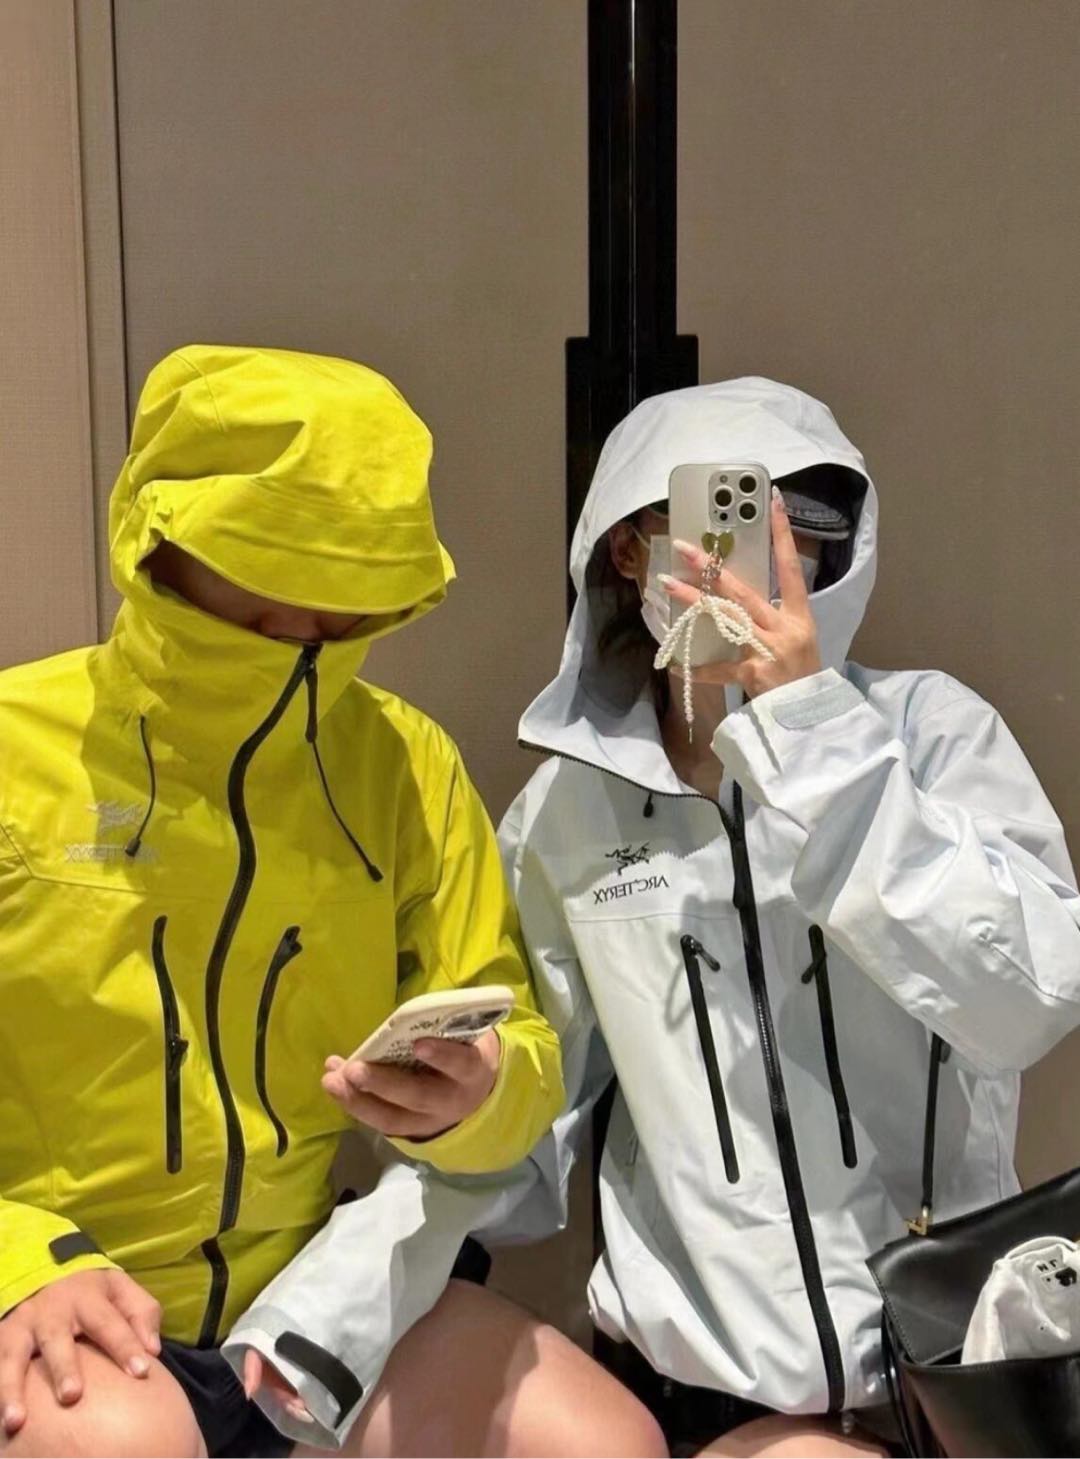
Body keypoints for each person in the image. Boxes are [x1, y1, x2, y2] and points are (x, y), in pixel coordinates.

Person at [337, 377, 1080, 1456]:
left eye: (800, 533)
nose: (762, 563)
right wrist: (461, 1111)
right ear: (629, 548)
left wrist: (814, 739)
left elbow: (1026, 1001)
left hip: (953, 1376)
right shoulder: (568, 815)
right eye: (723, 521)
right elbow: (528, 1159)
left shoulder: (929, 734)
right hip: (694, 1400)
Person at [0, 346, 664, 1459]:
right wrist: (19, 1260)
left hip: (308, 1288)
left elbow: (521, 1049)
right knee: (123, 1443)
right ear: (157, 543)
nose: (304, 630)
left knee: (600, 1442)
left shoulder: (403, 766)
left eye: (346, 605)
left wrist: (473, 1098)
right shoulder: (17, 747)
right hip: (56, 1280)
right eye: (262, 586)